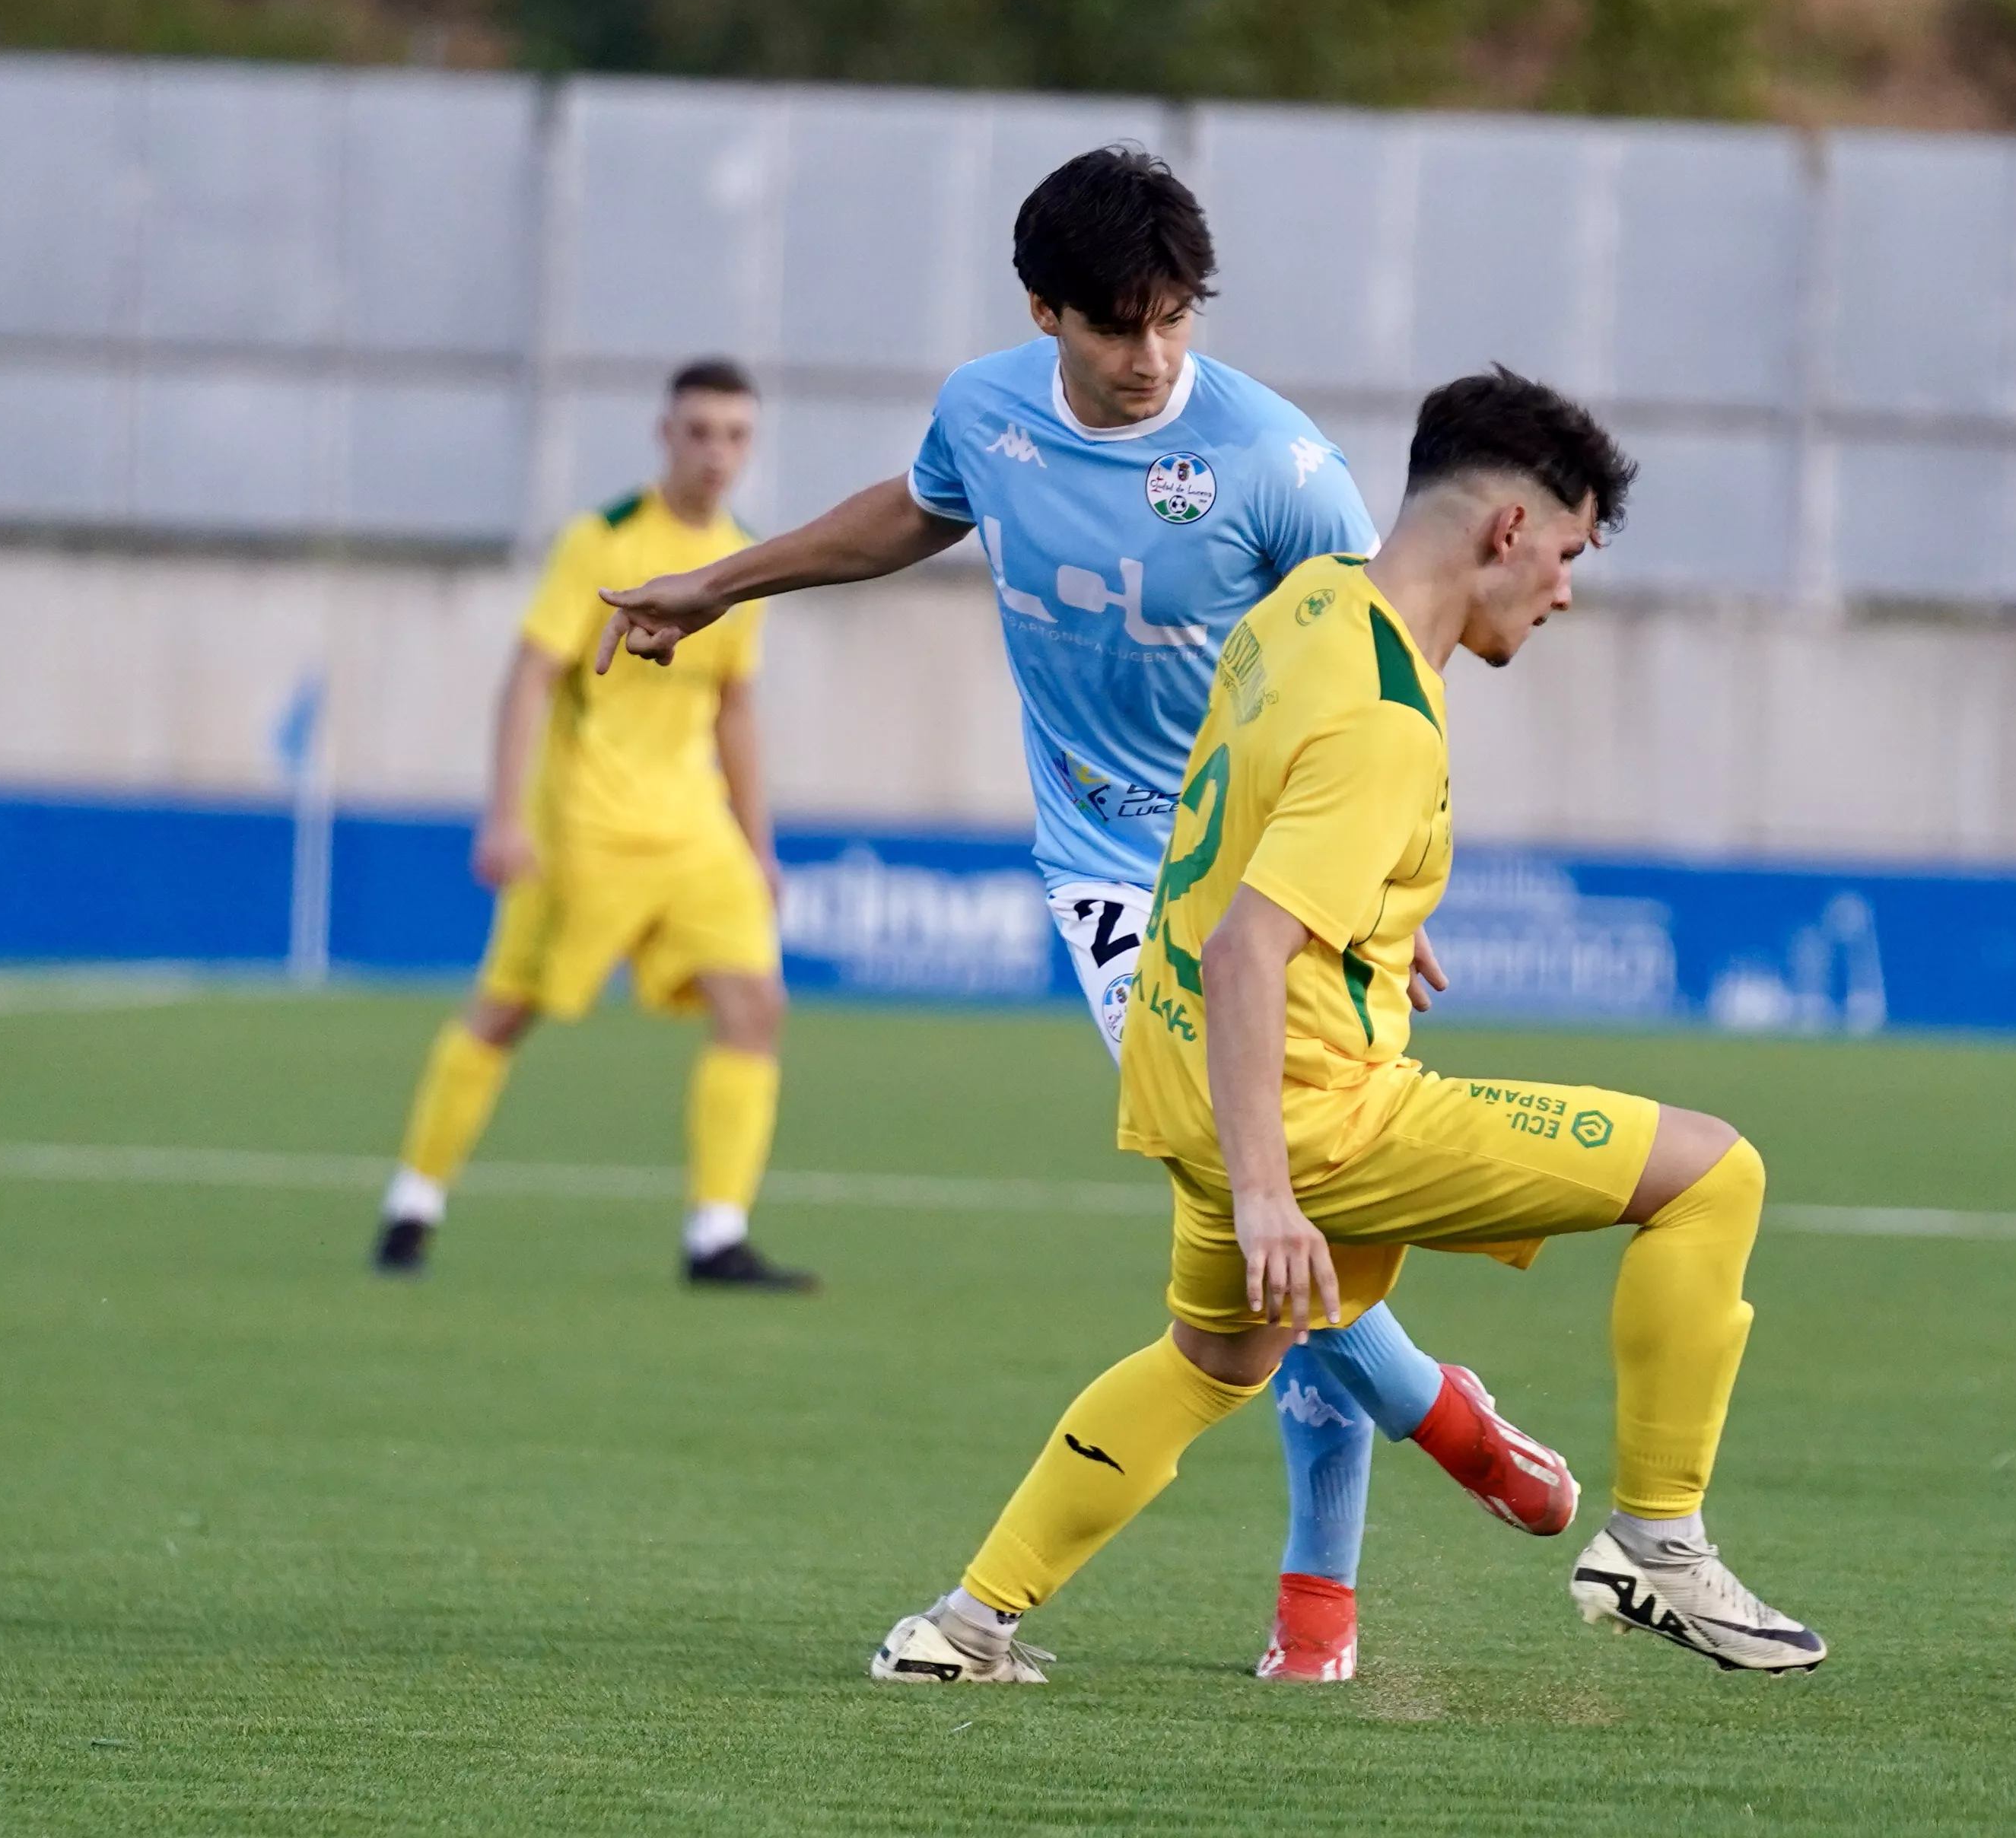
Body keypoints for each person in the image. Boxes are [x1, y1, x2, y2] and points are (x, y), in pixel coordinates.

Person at [577, 148, 1577, 1680]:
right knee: (1266, 1191)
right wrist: (722, 582)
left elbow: (1395, 662)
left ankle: (1331, 1587)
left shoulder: (1280, 466)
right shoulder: (986, 412)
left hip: (1274, 877)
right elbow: (915, 513)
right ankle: (1426, 1450)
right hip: (1118, 883)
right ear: (1043, 310)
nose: (1149, 354)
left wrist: (1379, 875)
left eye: (1174, 317)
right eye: (1115, 323)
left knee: (1295, 1214)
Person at [806, 368, 1827, 1685]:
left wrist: (1362, 917)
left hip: (1181, 1078)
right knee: (1712, 1173)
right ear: (1506, 532)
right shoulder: (1389, 719)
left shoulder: (1304, 605)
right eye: (1568, 554)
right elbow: (1249, 949)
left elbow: (1230, 812)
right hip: (1311, 1110)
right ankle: (1657, 1545)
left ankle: (959, 1627)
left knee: (1213, 1359)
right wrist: (1273, 1190)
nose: (1568, 591)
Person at [371, 358, 806, 1290]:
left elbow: (735, 707)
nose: (715, 453)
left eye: (734, 435)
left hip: (691, 832)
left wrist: (758, 846)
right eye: (698, 432)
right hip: (584, 828)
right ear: (664, 435)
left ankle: (716, 1236)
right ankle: (414, 1200)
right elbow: (530, 674)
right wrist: (503, 815)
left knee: (755, 1005)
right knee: (506, 1011)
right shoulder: (602, 542)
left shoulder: (740, 561)